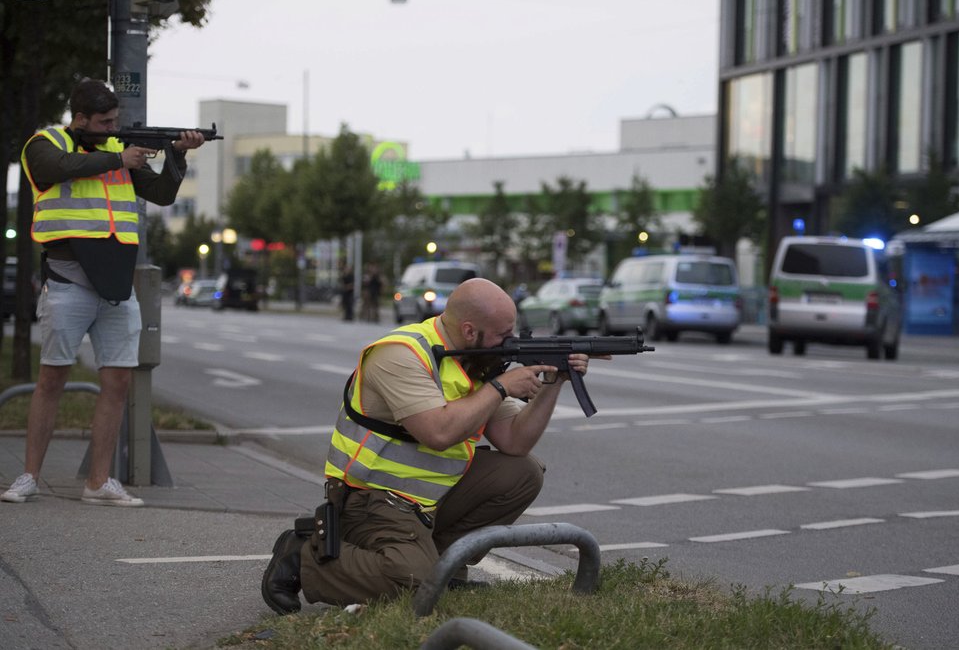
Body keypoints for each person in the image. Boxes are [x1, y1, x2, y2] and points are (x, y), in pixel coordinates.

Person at [261, 277, 596, 613]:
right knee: (414, 587)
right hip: (370, 499)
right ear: (469, 331)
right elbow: (437, 433)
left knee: (523, 473)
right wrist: (499, 388)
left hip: (426, 499)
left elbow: (515, 441)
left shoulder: (473, 361)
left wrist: (555, 383)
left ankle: (444, 567)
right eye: (503, 334)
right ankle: (304, 555)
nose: (508, 342)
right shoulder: (401, 354)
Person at [0, 79, 206, 506]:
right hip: (67, 278)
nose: (113, 127)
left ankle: (98, 483)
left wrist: (178, 153)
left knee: (117, 382)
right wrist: (117, 158)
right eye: (105, 121)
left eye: (115, 121)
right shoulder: (45, 142)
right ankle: (28, 477)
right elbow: (53, 169)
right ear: (80, 118)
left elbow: (163, 195)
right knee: (52, 378)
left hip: (116, 284)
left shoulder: (120, 149)